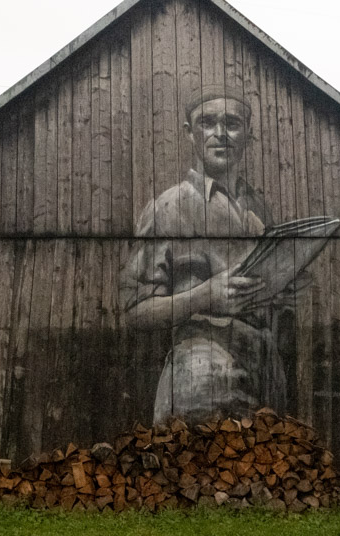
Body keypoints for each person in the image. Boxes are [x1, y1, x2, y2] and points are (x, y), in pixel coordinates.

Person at [120, 85, 294, 424]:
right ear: (190, 133)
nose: (220, 134)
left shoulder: (259, 210)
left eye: (231, 123)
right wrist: (203, 296)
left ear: (248, 133)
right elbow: (134, 311)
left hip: (267, 380)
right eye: (207, 123)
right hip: (201, 384)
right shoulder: (167, 208)